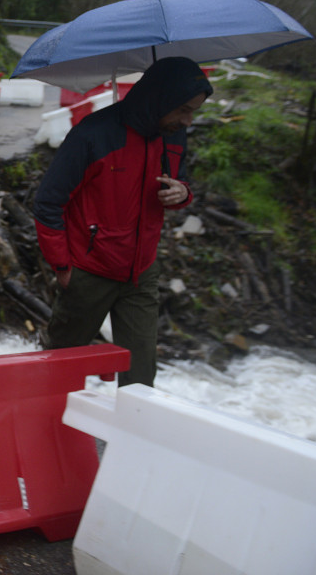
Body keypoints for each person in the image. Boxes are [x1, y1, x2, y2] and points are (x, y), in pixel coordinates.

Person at [33, 56, 213, 386]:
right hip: (89, 271)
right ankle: (49, 428)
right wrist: (62, 267)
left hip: (141, 272)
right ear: (162, 99)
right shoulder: (93, 134)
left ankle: (130, 433)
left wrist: (181, 194)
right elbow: (48, 203)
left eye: (193, 112)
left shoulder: (173, 135)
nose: (188, 121)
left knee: (141, 376)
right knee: (60, 365)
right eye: (184, 109)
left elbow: (182, 183)